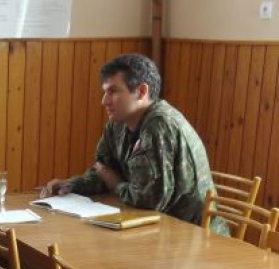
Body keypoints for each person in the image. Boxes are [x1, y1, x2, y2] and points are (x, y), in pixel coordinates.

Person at [41, 53, 228, 235]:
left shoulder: (160, 125)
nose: (104, 101)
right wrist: (72, 185)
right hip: (155, 231)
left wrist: (116, 183)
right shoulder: (118, 122)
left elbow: (150, 200)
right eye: (105, 92)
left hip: (194, 238)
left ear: (141, 91)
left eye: (113, 91)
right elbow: (102, 170)